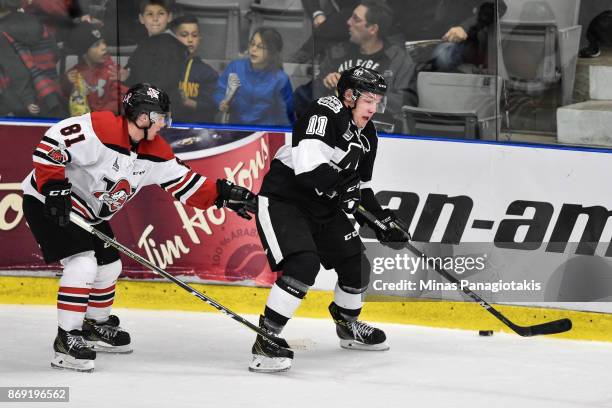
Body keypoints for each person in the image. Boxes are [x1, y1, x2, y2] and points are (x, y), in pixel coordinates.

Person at [21, 83, 257, 373]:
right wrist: (54, 186)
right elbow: (51, 144)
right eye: (160, 118)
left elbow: (187, 185)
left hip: (89, 213)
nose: (164, 124)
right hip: (49, 200)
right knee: (83, 263)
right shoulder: (100, 128)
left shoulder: (155, 152)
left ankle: (95, 324)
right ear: (142, 117)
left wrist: (224, 194)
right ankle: (66, 338)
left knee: (109, 266)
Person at [249, 67, 409, 373]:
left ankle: (347, 326)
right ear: (349, 97)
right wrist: (344, 191)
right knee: (303, 265)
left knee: (357, 266)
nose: (374, 108)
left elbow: (357, 187)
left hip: (324, 204)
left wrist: (381, 221)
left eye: (378, 102)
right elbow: (309, 171)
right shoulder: (325, 112)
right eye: (368, 101)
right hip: (287, 200)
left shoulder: (369, 134)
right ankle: (265, 339)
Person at [306, 0, 416, 123]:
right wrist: (325, 83)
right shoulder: (337, 52)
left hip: (379, 134)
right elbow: (313, 95)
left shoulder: (397, 59)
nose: (348, 22)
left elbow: (403, 103)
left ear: (373, 29)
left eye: (356, 19)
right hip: (335, 128)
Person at [214, 27, 295, 127]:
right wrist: (221, 101)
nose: (253, 49)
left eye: (260, 47)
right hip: (236, 128)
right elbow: (220, 90)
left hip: (265, 132)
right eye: (252, 44)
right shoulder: (235, 67)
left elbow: (286, 114)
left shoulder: (280, 79)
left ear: (272, 52)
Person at [0, 0, 64, 117]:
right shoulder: (37, 22)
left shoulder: (2, 31)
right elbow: (55, 53)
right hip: (49, 92)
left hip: (22, 101)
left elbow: (16, 71)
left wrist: (28, 100)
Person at [126, 0, 187, 109]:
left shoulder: (173, 47)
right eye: (150, 14)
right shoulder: (143, 44)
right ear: (141, 18)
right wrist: (125, 76)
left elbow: (165, 81)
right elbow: (134, 71)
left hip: (164, 107)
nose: (155, 18)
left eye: (161, 13)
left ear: (169, 17)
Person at [63, 21, 128, 115]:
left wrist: (98, 115)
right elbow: (66, 98)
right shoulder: (76, 74)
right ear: (84, 53)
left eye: (103, 42)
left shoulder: (113, 71)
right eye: (96, 45)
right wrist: (67, 82)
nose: (104, 47)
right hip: (84, 124)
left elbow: (120, 99)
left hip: (107, 121)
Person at [171, 15, 218, 123]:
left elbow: (213, 106)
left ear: (199, 39)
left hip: (197, 129)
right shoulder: (161, 68)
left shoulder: (208, 73)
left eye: (194, 35)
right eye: (184, 35)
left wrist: (187, 102)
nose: (190, 40)